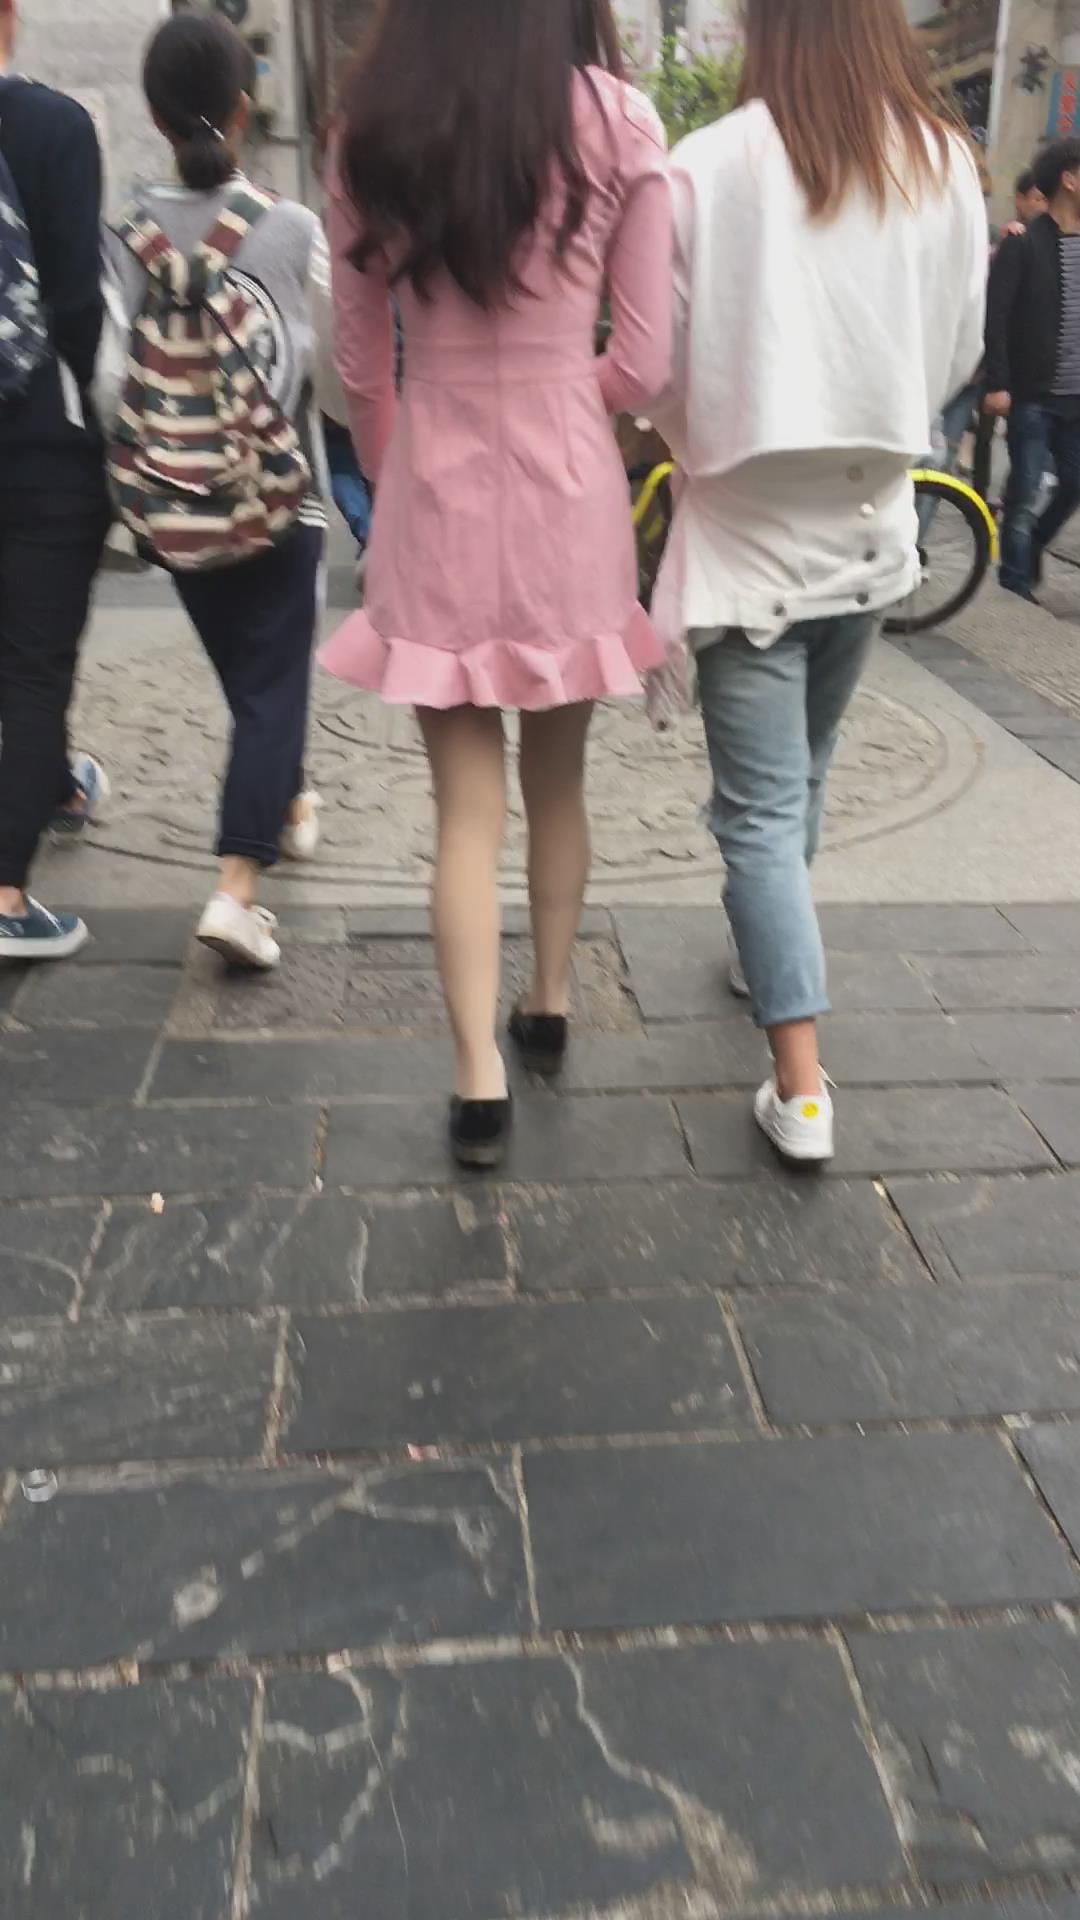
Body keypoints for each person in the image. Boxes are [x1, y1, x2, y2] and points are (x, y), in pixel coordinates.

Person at [322, 0, 672, 1169]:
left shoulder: (372, 125)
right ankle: (552, 1001)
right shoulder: (620, 120)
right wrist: (566, 393)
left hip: (435, 480)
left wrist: (397, 475)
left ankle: (477, 1077)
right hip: (569, 487)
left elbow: (360, 362)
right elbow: (645, 360)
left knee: (462, 811)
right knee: (559, 781)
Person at [650, 0, 986, 1166]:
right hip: (875, 532)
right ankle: (766, 956)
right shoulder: (943, 164)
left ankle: (800, 1088)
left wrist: (694, 437)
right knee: (806, 770)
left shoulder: (706, 166)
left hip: (746, 543)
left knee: (756, 810)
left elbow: (659, 362)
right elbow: (959, 350)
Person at [105, 12, 328, 969]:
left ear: (156, 117)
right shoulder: (292, 227)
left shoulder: (126, 236)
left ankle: (289, 795)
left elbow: (109, 380)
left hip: (173, 504)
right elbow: (331, 365)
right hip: (277, 496)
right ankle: (237, 889)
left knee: (255, 679)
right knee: (273, 684)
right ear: (245, 109)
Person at [0, 0, 112, 961]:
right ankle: (3, 897)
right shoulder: (56, 126)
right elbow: (78, 302)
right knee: (36, 664)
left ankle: (59, 785)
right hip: (40, 437)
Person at [987, 138, 1080, 603]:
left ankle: (1028, 550)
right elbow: (997, 316)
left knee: (1073, 484)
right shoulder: (1024, 243)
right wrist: (998, 383)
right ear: (1069, 179)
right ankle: (1015, 585)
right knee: (1023, 491)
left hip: (1077, 399)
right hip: (1033, 395)